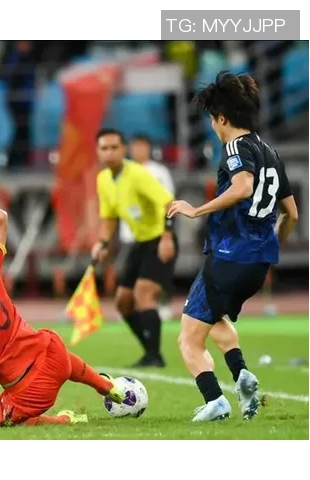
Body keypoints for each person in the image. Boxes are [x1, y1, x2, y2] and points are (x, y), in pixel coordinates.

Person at [0, 172, 126, 430]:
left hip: (31, 390)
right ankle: (106, 386)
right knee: (51, 347)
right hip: (55, 354)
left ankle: (64, 419)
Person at [168, 72, 298, 422]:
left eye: (212, 119)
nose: (212, 126)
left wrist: (196, 210)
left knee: (188, 338)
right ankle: (242, 375)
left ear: (222, 118)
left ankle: (215, 400)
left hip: (229, 256)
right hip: (256, 263)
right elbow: (292, 214)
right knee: (213, 318)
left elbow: (242, 188)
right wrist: (271, 245)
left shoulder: (236, 148)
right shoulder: (270, 152)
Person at [92, 129, 177, 368]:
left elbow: (168, 202)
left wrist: (167, 237)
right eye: (104, 148)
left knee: (143, 294)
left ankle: (154, 356)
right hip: (138, 243)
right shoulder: (103, 179)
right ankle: (150, 351)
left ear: (123, 150)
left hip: (159, 238)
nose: (109, 152)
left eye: (114, 147)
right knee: (122, 302)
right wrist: (103, 243)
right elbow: (109, 218)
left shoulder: (138, 174)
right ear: (98, 152)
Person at [126, 134, 176, 322]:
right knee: (135, 272)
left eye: (141, 146)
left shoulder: (159, 172)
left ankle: (163, 305)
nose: (138, 150)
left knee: (159, 271)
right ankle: (136, 308)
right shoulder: (125, 171)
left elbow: (169, 199)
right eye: (135, 146)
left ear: (148, 148)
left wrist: (167, 228)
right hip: (132, 231)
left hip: (156, 229)